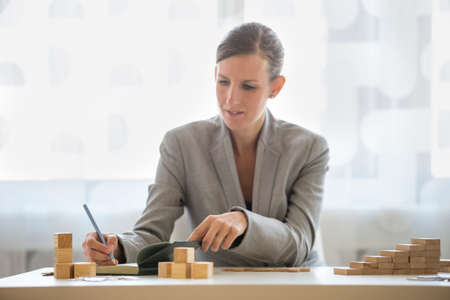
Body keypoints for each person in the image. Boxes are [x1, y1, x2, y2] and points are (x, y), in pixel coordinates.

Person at [82, 22, 329, 267]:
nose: (231, 98)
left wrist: (244, 222)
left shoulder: (309, 149)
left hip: (293, 286)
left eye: (249, 86)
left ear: (276, 87)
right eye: (223, 82)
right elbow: (151, 234)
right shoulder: (181, 145)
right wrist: (118, 247)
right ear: (214, 75)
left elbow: (299, 243)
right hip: (215, 287)